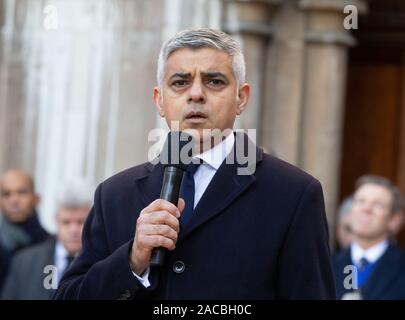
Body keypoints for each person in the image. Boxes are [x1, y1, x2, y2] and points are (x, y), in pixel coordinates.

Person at [54, 28, 335, 300]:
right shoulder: (114, 195)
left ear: (241, 97)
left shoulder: (293, 194)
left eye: (214, 81)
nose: (196, 94)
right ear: (159, 100)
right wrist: (132, 258)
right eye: (180, 82)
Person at [1, 179, 93, 299]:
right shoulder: (23, 262)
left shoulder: (104, 263)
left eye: (81, 222)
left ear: (92, 222)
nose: (73, 230)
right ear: (56, 220)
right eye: (66, 222)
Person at [333, 175, 405, 300]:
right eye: (360, 201)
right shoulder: (326, 265)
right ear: (349, 214)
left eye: (378, 205)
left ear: (394, 220)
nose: (366, 209)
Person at [0, 169, 50, 291]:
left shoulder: (51, 245)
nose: (14, 200)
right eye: (6, 194)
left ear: (36, 199)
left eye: (22, 192)